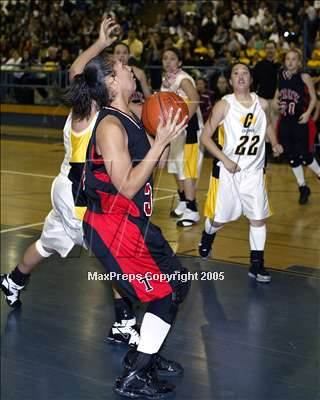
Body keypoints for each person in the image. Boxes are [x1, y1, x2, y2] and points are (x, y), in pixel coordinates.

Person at [0, 18, 139, 347]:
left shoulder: (91, 101)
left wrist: (100, 43)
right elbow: (79, 69)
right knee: (112, 252)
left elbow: (78, 68)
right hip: (79, 194)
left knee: (49, 242)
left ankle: (13, 280)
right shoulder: (91, 109)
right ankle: (124, 322)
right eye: (114, 69)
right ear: (103, 83)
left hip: (70, 188)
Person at [81, 54, 190, 397]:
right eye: (126, 68)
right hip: (113, 227)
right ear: (111, 82)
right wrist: (160, 144)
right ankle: (135, 376)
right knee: (165, 293)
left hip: (132, 223)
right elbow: (127, 185)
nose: (132, 70)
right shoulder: (110, 126)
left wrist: (164, 132)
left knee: (177, 283)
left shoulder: (129, 114)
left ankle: (144, 355)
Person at [199, 63, 283, 283]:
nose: (240, 76)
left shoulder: (261, 104)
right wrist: (225, 160)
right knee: (219, 220)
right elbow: (205, 137)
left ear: (251, 79)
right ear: (230, 81)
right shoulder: (224, 105)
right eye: (235, 73)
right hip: (228, 173)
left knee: (258, 219)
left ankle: (257, 265)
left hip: (254, 172)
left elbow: (267, 127)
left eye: (244, 72)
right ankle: (207, 235)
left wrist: (274, 143)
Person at [161, 48, 204, 226]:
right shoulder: (165, 82)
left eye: (172, 58)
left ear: (179, 63)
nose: (168, 61)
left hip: (190, 129)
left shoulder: (183, 79)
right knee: (176, 168)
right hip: (177, 130)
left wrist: (184, 120)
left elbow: (194, 99)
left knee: (187, 170)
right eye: (165, 58)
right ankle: (184, 201)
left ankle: (192, 210)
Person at [275, 49, 319, 204]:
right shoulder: (280, 75)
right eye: (288, 59)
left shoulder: (304, 76)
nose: (290, 62)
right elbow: (277, 97)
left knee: (305, 156)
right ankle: (303, 187)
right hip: (286, 122)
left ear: (299, 62)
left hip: (300, 121)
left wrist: (307, 114)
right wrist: (277, 105)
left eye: (294, 59)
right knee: (292, 157)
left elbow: (314, 99)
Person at [253, 40, 281, 128]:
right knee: (263, 126)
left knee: (275, 126)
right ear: (264, 50)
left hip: (276, 100)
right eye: (268, 48)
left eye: (272, 48)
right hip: (263, 99)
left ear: (275, 49)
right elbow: (254, 83)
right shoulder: (259, 65)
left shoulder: (280, 66)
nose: (270, 50)